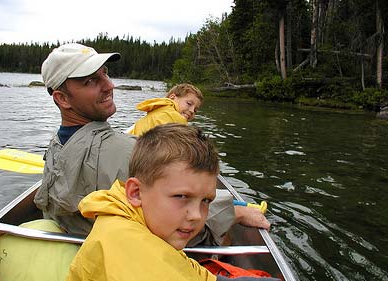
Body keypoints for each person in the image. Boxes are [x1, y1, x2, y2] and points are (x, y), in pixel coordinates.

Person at [33, 43, 269, 247]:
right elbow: (187, 230)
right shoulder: (131, 153)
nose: (109, 85)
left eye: (105, 73)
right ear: (62, 99)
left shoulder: (56, 145)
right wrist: (233, 212)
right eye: (91, 81)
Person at [67, 124, 279, 281]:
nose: (197, 215)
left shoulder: (130, 216)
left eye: (206, 200)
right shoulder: (131, 250)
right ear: (136, 193)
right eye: (182, 197)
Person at [128, 83, 203, 136]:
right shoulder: (172, 115)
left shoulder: (159, 110)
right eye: (189, 103)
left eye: (195, 110)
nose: (192, 111)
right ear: (172, 97)